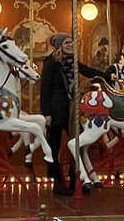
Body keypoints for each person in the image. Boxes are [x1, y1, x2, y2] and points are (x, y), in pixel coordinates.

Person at [40, 34, 106, 194]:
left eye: (71, 42)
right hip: (56, 109)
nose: (70, 44)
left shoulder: (72, 62)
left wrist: (107, 76)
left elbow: (88, 71)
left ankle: (75, 178)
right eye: (67, 42)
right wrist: (46, 113)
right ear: (59, 45)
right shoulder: (51, 63)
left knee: (77, 144)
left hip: (71, 108)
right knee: (54, 147)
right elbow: (44, 89)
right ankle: (57, 183)